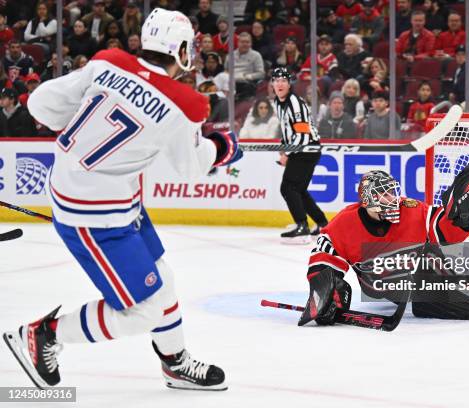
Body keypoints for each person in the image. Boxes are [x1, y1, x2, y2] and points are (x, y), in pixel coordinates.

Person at [4, 8, 242, 391]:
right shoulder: (186, 102)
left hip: (107, 198)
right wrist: (221, 147)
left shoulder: (107, 62)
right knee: (143, 311)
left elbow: (41, 105)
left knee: (161, 279)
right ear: (180, 49)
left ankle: (175, 362)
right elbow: (190, 167)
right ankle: (44, 334)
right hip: (96, 215)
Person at [298, 167, 469, 327]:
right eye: (385, 195)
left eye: (393, 192)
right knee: (432, 297)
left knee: (444, 295)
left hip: (424, 271)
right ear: (367, 200)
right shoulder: (344, 223)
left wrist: (464, 217)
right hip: (382, 286)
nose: (394, 199)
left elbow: (445, 230)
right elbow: (321, 260)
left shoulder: (412, 210)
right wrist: (325, 295)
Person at [271, 67, 328, 241]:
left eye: (283, 81)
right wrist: (284, 146)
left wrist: (287, 153)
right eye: (276, 80)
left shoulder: (294, 102)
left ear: (289, 84)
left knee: (288, 187)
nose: (279, 84)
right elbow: (288, 129)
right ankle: (322, 224)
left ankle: (302, 225)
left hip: (306, 149)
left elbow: (303, 133)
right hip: (299, 149)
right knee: (299, 189)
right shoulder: (278, 102)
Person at [226, 32, 265, 100]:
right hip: (230, 83)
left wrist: (248, 76)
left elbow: (261, 74)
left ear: (251, 43)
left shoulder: (256, 55)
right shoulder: (230, 55)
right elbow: (226, 71)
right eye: (242, 42)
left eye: (247, 42)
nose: (245, 44)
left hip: (246, 82)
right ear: (238, 43)